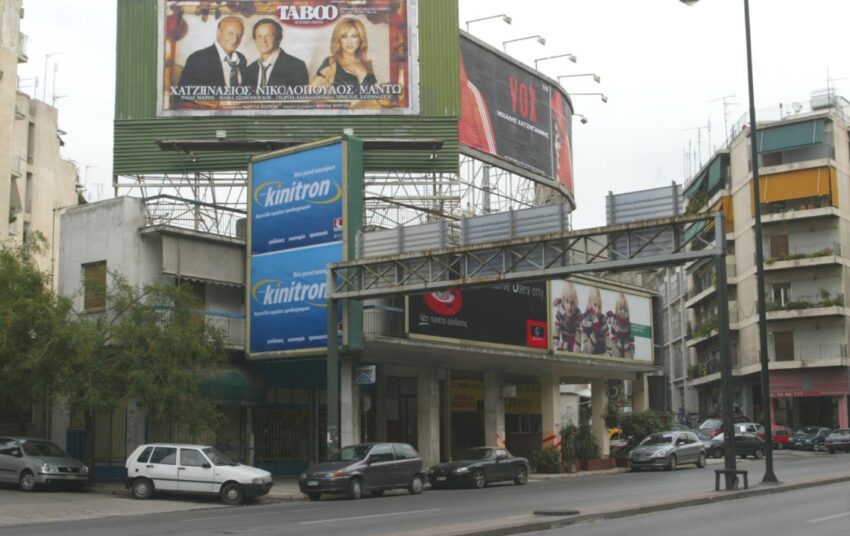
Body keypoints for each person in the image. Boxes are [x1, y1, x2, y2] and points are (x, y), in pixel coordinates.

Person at [178, 16, 247, 89]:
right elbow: (184, 93)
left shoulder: (241, 59)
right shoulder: (198, 59)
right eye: (230, 33)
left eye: (239, 35)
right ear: (218, 33)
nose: (235, 39)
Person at [309, 17, 377, 92]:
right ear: (339, 39)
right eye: (344, 36)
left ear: (360, 39)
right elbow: (309, 91)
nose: (349, 42)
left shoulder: (367, 64)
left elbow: (375, 93)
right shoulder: (331, 63)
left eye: (354, 36)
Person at [245, 18, 308, 91]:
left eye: (268, 36)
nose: (263, 41)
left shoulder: (296, 66)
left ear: (278, 38)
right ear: (255, 39)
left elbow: (300, 97)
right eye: (259, 36)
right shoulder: (249, 70)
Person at [553, 282, 581, 352]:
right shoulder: (560, 312)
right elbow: (555, 338)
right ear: (563, 301)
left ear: (575, 302)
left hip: (574, 349)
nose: (569, 306)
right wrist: (557, 346)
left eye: (572, 302)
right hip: (563, 347)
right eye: (567, 301)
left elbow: (578, 343)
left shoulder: (578, 314)